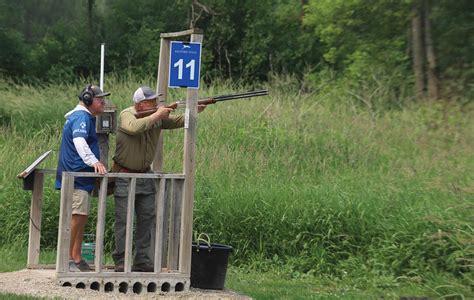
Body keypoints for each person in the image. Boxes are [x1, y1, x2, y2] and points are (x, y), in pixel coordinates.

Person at [112, 86, 206, 272]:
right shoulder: (127, 114)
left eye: (156, 100)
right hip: (124, 174)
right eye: (151, 101)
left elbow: (177, 122)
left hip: (146, 174)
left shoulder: (155, 116)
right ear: (139, 104)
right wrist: (158, 114)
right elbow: (134, 128)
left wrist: (194, 110)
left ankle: (141, 260)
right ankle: (120, 261)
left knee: (147, 219)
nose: (156, 103)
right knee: (123, 221)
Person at [55, 84, 108, 272]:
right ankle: (67, 260)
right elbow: (79, 141)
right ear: (87, 100)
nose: (103, 101)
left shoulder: (80, 116)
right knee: (76, 218)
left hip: (79, 179)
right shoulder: (82, 117)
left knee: (81, 218)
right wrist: (94, 161)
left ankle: (76, 258)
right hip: (76, 177)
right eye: (99, 98)